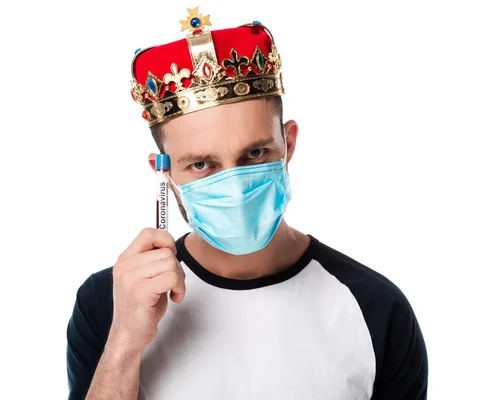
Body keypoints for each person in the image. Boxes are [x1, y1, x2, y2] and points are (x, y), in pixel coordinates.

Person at [66, 9, 428, 400]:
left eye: (255, 153)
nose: (236, 191)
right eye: (202, 164)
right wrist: (124, 345)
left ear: (288, 144)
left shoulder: (375, 307)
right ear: (163, 173)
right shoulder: (112, 302)